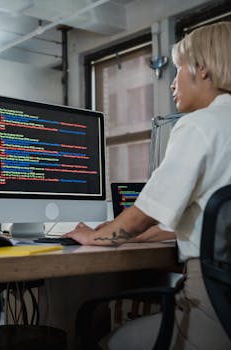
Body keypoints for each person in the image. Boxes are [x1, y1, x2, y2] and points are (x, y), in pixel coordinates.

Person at [63, 21, 231, 349]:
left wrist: (93, 235)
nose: (172, 82)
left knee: (100, 334)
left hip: (211, 315)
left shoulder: (198, 126)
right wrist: (138, 233)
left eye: (179, 68)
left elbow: (143, 216)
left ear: (203, 69)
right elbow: (208, 227)